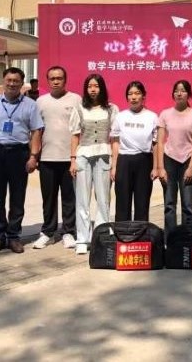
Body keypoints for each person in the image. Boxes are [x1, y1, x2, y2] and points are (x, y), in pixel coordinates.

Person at [0, 67, 44, 255]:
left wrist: (33, 156)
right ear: (3, 81)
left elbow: (36, 131)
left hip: (19, 153)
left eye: (16, 81)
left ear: (22, 83)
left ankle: (14, 236)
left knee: (17, 197)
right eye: (9, 80)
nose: (12, 84)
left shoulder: (30, 105)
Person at [69, 74, 119, 255]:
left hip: (104, 156)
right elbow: (75, 135)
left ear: (102, 88)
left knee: (103, 198)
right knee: (82, 198)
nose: (93, 89)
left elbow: (115, 139)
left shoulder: (111, 109)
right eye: (90, 86)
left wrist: (115, 164)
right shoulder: (79, 108)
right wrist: (73, 160)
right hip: (83, 155)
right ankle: (83, 238)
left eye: (96, 86)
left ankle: (102, 235)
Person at [33, 66, 82, 250]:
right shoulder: (40, 102)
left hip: (69, 158)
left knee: (69, 197)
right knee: (49, 198)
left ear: (65, 80)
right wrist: (35, 155)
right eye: (52, 78)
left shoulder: (76, 99)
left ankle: (68, 231)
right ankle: (48, 232)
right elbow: (36, 131)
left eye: (59, 78)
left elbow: (81, 129)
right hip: (47, 157)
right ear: (47, 80)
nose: (56, 81)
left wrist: (76, 156)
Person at [156, 80, 192, 240]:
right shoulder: (165, 114)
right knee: (169, 204)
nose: (179, 93)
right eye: (176, 90)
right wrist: (161, 168)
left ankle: (187, 240)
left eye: (183, 90)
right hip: (169, 160)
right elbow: (160, 142)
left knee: (188, 205)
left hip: (187, 161)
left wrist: (191, 166)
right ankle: (170, 240)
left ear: (188, 94)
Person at [110, 81, 158, 221]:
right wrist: (114, 166)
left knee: (142, 201)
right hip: (124, 160)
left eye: (137, 93)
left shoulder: (152, 117)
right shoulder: (120, 116)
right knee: (122, 201)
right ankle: (122, 232)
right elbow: (115, 142)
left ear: (143, 96)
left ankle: (141, 232)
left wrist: (155, 167)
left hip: (144, 160)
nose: (133, 97)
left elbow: (155, 144)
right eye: (130, 94)